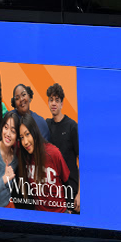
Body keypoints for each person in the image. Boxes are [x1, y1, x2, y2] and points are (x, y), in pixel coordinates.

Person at [12, 114, 70, 212]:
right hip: (40, 215)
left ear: (34, 132)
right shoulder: (23, 152)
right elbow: (7, 139)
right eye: (21, 137)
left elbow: (66, 182)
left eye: (27, 134)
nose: (25, 142)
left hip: (60, 213)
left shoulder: (53, 153)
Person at [43, 83, 80, 213]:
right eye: (51, 100)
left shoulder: (72, 127)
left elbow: (83, 161)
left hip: (71, 189)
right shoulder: (46, 125)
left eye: (57, 100)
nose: (54, 103)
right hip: (53, 191)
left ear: (62, 104)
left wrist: (80, 194)